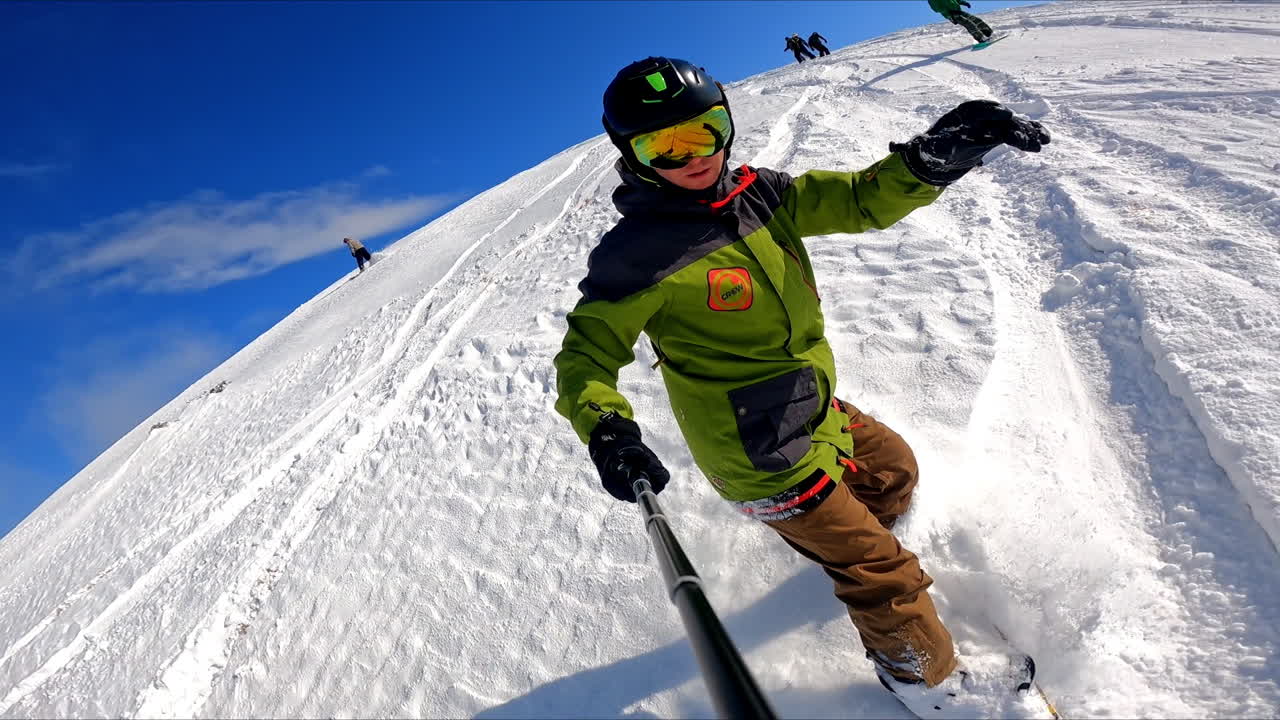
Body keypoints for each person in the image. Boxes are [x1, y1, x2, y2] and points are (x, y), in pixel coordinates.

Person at [553, 57, 1051, 717]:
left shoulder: (762, 194)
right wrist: (607, 428)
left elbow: (858, 199)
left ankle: (847, 535)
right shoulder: (634, 257)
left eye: (704, 131)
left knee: (895, 468)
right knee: (882, 574)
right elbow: (587, 355)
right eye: (663, 147)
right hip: (760, 452)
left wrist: (931, 161)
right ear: (634, 157)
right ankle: (925, 685)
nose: (692, 157)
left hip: (811, 405)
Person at [929, 0, 995, 43]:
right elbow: (937, 9)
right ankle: (981, 39)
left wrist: (964, 2)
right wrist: (949, 12)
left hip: (958, 11)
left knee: (975, 20)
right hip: (951, 14)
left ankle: (988, 33)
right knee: (969, 23)